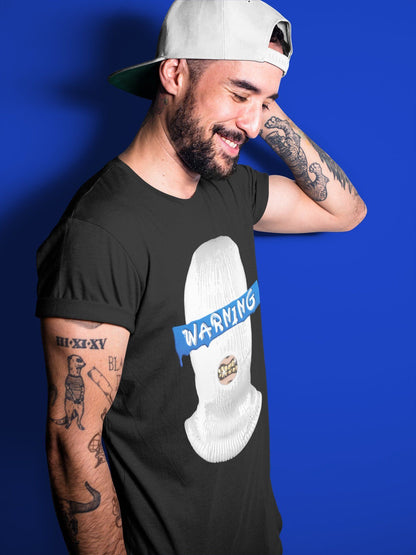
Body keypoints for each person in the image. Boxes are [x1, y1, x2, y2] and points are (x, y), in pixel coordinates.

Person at [36, 0, 366, 553]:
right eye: (238, 94)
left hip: (256, 537)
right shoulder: (100, 233)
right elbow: (74, 446)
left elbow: (346, 212)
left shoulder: (229, 188)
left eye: (267, 103)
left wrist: (258, 103)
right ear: (174, 74)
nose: (253, 125)